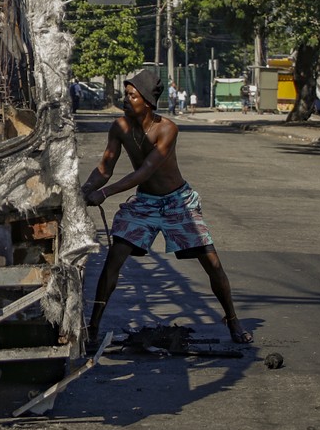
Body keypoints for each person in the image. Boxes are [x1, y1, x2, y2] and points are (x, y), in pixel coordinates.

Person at [81, 68, 253, 346]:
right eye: (126, 94)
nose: (126, 100)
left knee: (211, 262)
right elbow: (105, 168)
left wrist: (105, 193)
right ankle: (93, 326)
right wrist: (85, 190)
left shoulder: (167, 129)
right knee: (115, 257)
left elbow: (145, 172)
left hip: (177, 202)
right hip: (145, 203)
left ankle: (232, 319)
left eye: (132, 96)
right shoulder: (120, 127)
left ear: (147, 101)